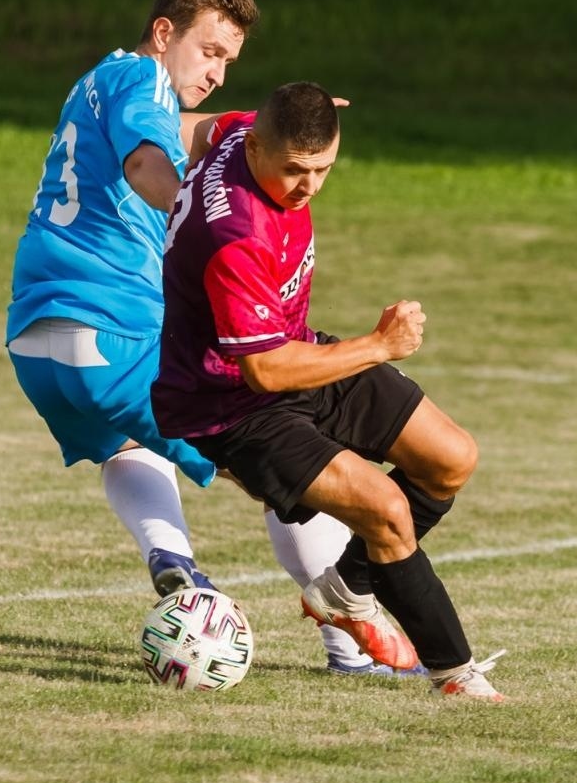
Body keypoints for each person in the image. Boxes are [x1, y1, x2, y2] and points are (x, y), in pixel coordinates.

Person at [5, 0, 399, 675]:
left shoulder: (101, 80)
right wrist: (201, 214)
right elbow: (147, 159)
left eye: (228, 61)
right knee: (282, 452)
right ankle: (352, 644)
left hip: (40, 342)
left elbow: (185, 130)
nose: (217, 72)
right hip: (117, 327)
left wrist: (266, 121)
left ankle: (173, 560)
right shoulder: (144, 83)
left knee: (129, 443)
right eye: (210, 51)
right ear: (164, 33)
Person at [152, 82, 509, 699]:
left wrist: (309, 100)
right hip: (231, 407)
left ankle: (344, 589)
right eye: (295, 169)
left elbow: (196, 125)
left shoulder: (244, 132)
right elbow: (265, 372)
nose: (309, 186)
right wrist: (379, 345)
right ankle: (456, 676)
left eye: (323, 168)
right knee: (387, 511)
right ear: (258, 149)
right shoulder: (236, 236)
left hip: (299, 351)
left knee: (451, 457)